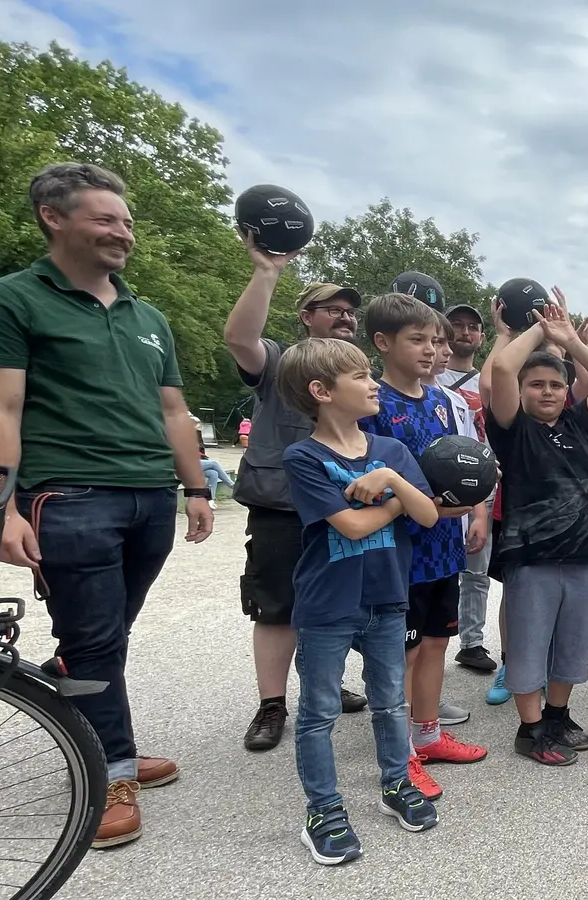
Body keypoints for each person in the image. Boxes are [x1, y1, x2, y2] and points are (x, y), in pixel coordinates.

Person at [0, 161, 214, 848]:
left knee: (101, 638)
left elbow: (173, 411)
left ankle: (87, 717)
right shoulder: (7, 301)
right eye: (106, 219)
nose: (122, 233)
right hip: (68, 499)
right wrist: (1, 510)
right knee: (97, 640)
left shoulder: (148, 316)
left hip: (149, 499)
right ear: (54, 216)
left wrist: (194, 487)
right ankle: (109, 772)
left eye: (126, 222)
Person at [277, 338, 442, 865]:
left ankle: (395, 784)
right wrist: (399, 503)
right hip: (328, 604)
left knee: (390, 702)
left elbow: (431, 514)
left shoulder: (391, 453)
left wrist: (392, 481)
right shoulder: (303, 456)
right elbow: (348, 525)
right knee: (319, 712)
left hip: (388, 598)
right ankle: (323, 809)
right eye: (361, 376)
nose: (374, 384)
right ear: (322, 392)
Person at [224, 232, 369, 752]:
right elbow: (240, 339)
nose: (345, 318)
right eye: (332, 310)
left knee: (332, 606)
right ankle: (271, 706)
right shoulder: (283, 363)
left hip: (343, 508)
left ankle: (323, 685)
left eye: (351, 313)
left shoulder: (361, 381)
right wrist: (267, 272)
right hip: (282, 507)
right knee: (276, 607)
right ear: (306, 316)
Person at [359, 294, 490, 792]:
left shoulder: (442, 402)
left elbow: (468, 464)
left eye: (436, 340)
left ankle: (428, 734)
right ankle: (399, 752)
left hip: (443, 546)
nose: (431, 349)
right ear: (382, 342)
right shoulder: (371, 401)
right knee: (403, 652)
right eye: (418, 340)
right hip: (396, 548)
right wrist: (420, 505)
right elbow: (359, 474)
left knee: (436, 641)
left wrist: (475, 510)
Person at [484, 301, 588, 767]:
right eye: (536, 384)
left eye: (556, 384)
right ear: (522, 391)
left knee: (572, 647)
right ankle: (530, 729)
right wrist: (542, 329)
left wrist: (571, 342)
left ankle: (558, 716)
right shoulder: (511, 427)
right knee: (528, 646)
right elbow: (502, 365)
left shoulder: (578, 423)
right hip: (531, 558)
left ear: (567, 391)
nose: (547, 391)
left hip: (581, 556)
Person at [435, 303, 500, 676]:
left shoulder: (484, 382)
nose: (464, 332)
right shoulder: (432, 375)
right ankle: (426, 644)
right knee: (436, 573)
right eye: (456, 325)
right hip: (436, 487)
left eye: (472, 327)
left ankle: (471, 643)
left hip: (478, 485)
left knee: (476, 570)